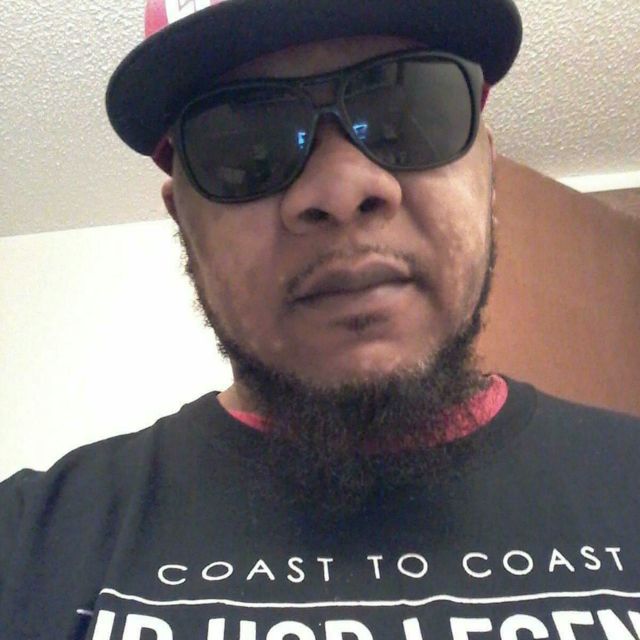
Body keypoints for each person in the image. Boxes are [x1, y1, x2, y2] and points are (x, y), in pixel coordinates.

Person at [1, 0, 639, 638]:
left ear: (488, 180)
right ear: (184, 226)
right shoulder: (28, 545)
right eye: (246, 143)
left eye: (407, 111)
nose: (341, 189)